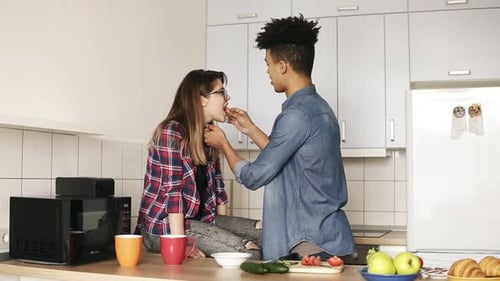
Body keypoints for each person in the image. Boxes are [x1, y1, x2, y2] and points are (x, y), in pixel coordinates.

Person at [203, 15, 356, 261]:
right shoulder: (318, 108)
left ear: (283, 66)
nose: (268, 72)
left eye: (268, 64)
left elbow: (254, 177)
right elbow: (289, 161)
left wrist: (224, 144)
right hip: (325, 239)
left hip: (309, 245)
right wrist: (251, 129)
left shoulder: (296, 115)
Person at [135, 69, 262, 259]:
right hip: (162, 228)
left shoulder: (210, 136)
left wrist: (225, 235)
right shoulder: (171, 133)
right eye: (221, 92)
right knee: (249, 252)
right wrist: (179, 246)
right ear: (201, 99)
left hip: (202, 221)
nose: (227, 98)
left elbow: (219, 191)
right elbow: (174, 194)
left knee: (269, 234)